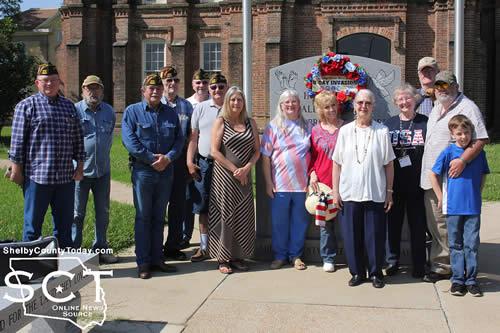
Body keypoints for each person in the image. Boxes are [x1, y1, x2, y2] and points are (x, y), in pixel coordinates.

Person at [420, 70, 489, 283]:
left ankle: (445, 267)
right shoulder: (437, 107)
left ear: (456, 86)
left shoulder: (468, 107)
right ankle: (447, 263)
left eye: (447, 85)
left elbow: (481, 139)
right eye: (439, 86)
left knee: (445, 224)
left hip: (451, 179)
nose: (442, 89)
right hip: (432, 176)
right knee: (437, 224)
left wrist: (463, 160)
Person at [8, 63, 85, 248]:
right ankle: (31, 269)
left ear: (60, 82)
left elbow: (78, 139)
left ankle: (63, 267)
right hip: (37, 178)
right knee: (33, 227)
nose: (49, 84)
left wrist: (80, 166)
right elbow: (17, 141)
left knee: (64, 226)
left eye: (53, 80)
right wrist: (16, 170)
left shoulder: (69, 107)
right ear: (37, 83)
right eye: (45, 81)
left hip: (65, 178)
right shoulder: (26, 106)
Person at [121, 74, 184, 279]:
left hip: (166, 171)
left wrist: (168, 158)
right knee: (143, 217)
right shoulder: (132, 112)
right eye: (151, 88)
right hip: (143, 172)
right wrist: (150, 159)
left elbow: (179, 140)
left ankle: (158, 259)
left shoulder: (170, 113)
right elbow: (129, 140)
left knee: (159, 217)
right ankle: (143, 263)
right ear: (143, 91)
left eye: (158, 88)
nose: (155, 91)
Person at [332, 89, 395, 288]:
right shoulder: (345, 131)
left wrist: (389, 193)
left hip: (375, 192)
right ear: (354, 106)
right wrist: (335, 191)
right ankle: (357, 272)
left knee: (375, 236)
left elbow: (389, 164)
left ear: (373, 106)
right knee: (352, 236)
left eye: (367, 103)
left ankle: (376, 272)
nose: (363, 106)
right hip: (350, 192)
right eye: (360, 103)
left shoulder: (381, 131)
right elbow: (337, 163)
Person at [429, 115, 489, 297]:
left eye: (466, 133)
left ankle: (471, 280)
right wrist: (440, 197)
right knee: (455, 244)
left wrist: (478, 192)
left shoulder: (479, 154)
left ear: (472, 133)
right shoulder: (448, 153)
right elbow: (433, 174)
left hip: (472, 207)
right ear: (452, 134)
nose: (463, 137)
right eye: (459, 133)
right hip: (453, 207)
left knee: (471, 244)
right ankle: (457, 280)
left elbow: (484, 174)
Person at [208, 87, 260, 274]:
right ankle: (223, 258)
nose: (236, 103)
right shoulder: (221, 121)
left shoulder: (250, 122)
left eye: (239, 100)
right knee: (226, 215)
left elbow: (257, 150)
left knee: (243, 215)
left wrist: (246, 169)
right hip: (225, 177)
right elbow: (214, 151)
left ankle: (238, 256)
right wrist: (235, 170)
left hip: (244, 177)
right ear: (227, 102)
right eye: (232, 100)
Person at [261, 89, 311, 271]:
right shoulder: (272, 126)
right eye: (286, 102)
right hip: (280, 184)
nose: (290, 105)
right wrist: (268, 182)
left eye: (294, 101)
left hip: (302, 185)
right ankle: (280, 256)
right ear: (281, 106)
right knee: (279, 223)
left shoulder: (306, 126)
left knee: (300, 222)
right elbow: (265, 157)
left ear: (299, 104)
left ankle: (296, 256)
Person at [72, 75, 118, 264]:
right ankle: (73, 253)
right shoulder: (74, 111)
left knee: (103, 212)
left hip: (102, 172)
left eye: (96, 88)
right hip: (79, 173)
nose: (93, 92)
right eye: (89, 88)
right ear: (82, 90)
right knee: (76, 214)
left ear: (102, 90)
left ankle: (100, 248)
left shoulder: (109, 111)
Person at [383, 84, 427, 278]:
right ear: (395, 103)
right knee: (393, 226)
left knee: (418, 227)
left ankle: (419, 265)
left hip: (419, 185)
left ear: (414, 99)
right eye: (400, 99)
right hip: (395, 185)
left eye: (407, 98)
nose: (404, 102)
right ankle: (392, 262)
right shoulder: (388, 124)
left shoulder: (425, 122)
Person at [187, 73, 228, 262]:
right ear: (209, 90)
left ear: (226, 87)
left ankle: (224, 247)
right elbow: (193, 138)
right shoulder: (201, 109)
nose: (217, 90)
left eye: (221, 86)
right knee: (203, 208)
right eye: (214, 87)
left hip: (226, 166)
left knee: (225, 207)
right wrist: (189, 162)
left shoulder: (234, 107)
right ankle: (204, 248)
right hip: (204, 164)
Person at [160, 66, 193, 260]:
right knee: (158, 206)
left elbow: (190, 135)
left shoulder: (186, 106)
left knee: (177, 206)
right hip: (161, 160)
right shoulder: (157, 103)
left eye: (175, 81)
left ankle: (173, 246)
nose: (172, 84)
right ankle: (156, 246)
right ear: (163, 84)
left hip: (179, 161)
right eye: (168, 81)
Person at [308, 91, 344, 273]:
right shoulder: (315, 130)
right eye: (327, 107)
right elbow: (311, 157)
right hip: (322, 182)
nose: (331, 110)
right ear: (321, 110)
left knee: (346, 222)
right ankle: (328, 258)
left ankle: (352, 255)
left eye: (333, 105)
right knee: (326, 224)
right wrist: (312, 172)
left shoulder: (346, 128)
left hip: (344, 182)